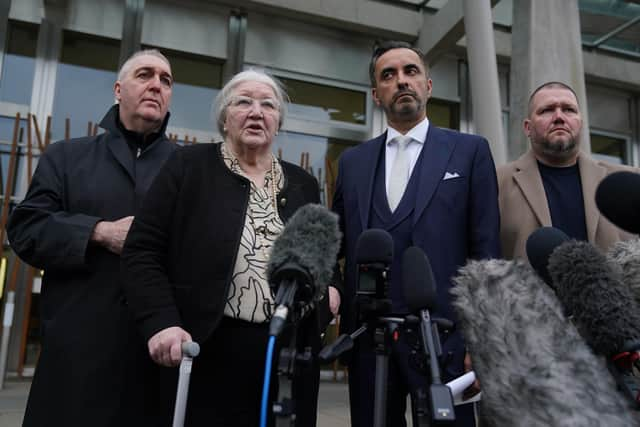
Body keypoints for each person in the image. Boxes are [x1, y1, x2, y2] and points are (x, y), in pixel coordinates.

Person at [120, 69, 339, 427]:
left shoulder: (303, 183)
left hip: (286, 352)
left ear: (278, 121)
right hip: (206, 346)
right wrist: (162, 322)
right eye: (243, 102)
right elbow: (142, 250)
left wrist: (333, 291)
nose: (256, 112)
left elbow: (326, 261)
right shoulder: (188, 166)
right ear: (225, 117)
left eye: (268, 105)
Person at [332, 41, 501, 427]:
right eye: (388, 76)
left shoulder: (470, 151)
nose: (401, 81)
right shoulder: (353, 163)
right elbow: (334, 243)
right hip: (370, 342)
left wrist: (482, 338)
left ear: (428, 84)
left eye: (410, 71)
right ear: (377, 95)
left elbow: (486, 249)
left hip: (447, 338)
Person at [7, 49, 176, 427]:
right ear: (118, 89)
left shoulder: (187, 169)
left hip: (153, 358)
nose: (156, 85)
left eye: (165, 80)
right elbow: (25, 228)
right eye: (144, 75)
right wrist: (99, 232)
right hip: (76, 357)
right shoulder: (66, 156)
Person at [498, 81, 637, 260]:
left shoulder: (627, 182)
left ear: (580, 123)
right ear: (527, 127)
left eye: (569, 110)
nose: (559, 117)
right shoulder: (495, 183)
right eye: (547, 110)